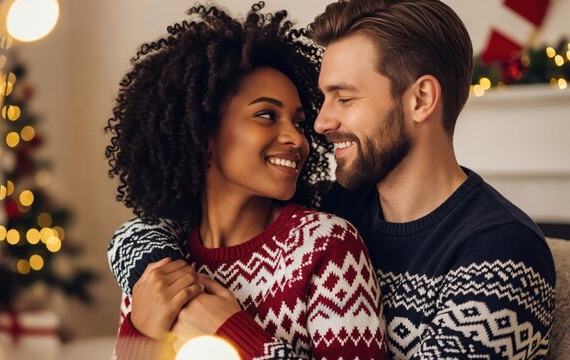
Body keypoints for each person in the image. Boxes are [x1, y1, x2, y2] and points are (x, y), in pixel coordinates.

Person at [109, 0, 557, 359]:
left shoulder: (501, 251)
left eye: (344, 98)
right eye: (323, 100)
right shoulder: (341, 202)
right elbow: (159, 227)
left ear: (420, 99)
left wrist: (233, 335)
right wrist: (158, 274)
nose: (319, 125)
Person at [105, 3, 387, 359]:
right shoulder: (156, 264)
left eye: (298, 122)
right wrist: (140, 331)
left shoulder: (326, 246)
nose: (298, 139)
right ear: (202, 129)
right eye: (267, 115)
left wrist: (236, 334)